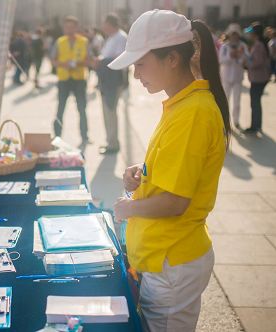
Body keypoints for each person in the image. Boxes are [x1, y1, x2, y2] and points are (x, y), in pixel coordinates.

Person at [110, 10, 230, 331]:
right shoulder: (182, 104)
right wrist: (142, 172)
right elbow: (176, 170)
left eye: (140, 64)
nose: (136, 74)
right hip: (166, 258)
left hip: (172, 261)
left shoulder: (192, 112)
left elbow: (176, 202)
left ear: (172, 58)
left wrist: (128, 207)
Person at [51, 16, 92, 145]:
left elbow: (89, 60)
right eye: (66, 27)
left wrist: (77, 63)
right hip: (64, 79)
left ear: (76, 27)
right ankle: (57, 136)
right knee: (60, 108)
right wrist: (64, 64)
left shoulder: (84, 41)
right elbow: (53, 60)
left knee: (82, 108)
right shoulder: (59, 42)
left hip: (79, 79)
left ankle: (85, 136)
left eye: (71, 27)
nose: (68, 29)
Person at [95, 13, 128, 154]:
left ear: (110, 24)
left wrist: (100, 61)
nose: (103, 26)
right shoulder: (112, 37)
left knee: (110, 111)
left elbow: (120, 59)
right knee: (107, 112)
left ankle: (113, 144)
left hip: (114, 79)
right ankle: (110, 141)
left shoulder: (121, 37)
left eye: (105, 23)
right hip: (107, 78)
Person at [219, 23, 249, 129]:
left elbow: (246, 60)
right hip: (226, 77)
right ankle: (224, 122)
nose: (234, 36)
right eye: (232, 34)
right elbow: (220, 60)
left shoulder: (243, 46)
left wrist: (240, 56)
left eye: (236, 34)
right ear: (229, 35)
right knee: (225, 101)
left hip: (237, 77)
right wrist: (230, 56)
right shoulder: (225, 46)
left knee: (237, 102)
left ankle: (236, 121)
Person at [243, 22, 271, 134]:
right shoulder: (260, 44)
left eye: (251, 33)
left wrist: (246, 63)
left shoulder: (259, 45)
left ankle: (255, 126)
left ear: (255, 34)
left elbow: (257, 62)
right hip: (260, 77)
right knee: (256, 102)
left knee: (254, 102)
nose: (249, 35)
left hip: (258, 78)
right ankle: (256, 125)